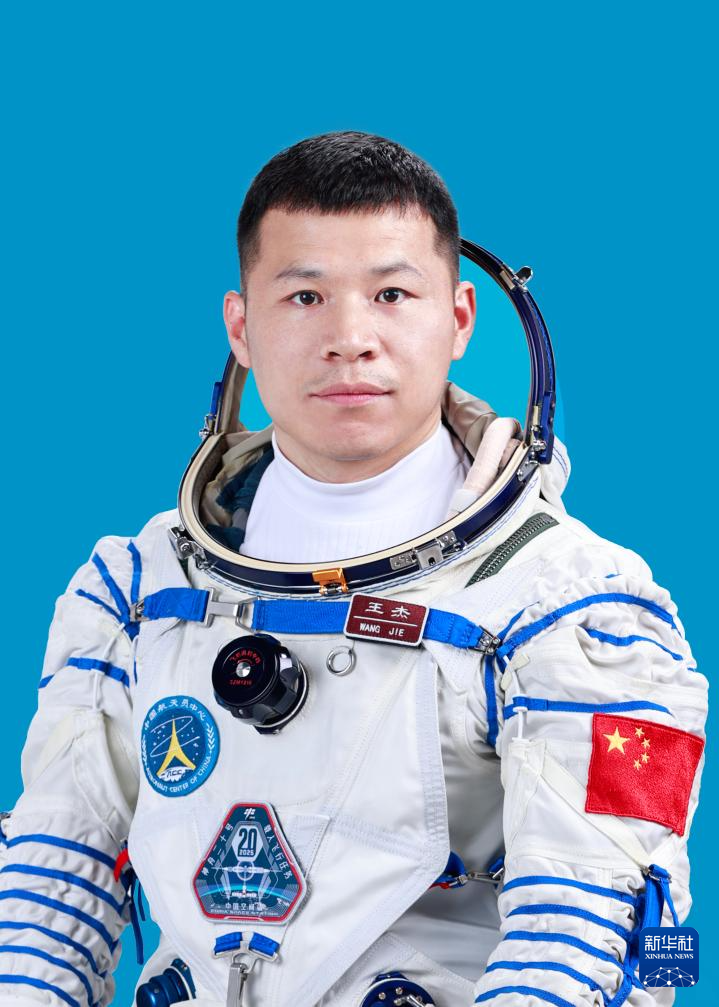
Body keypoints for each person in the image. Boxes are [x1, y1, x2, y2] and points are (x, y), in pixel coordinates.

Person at [0, 131, 707, 1007]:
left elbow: (589, 930)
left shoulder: (576, 608)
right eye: (304, 296)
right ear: (241, 327)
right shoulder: (137, 592)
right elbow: (49, 879)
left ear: (458, 319)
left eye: (390, 294)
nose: (349, 338)